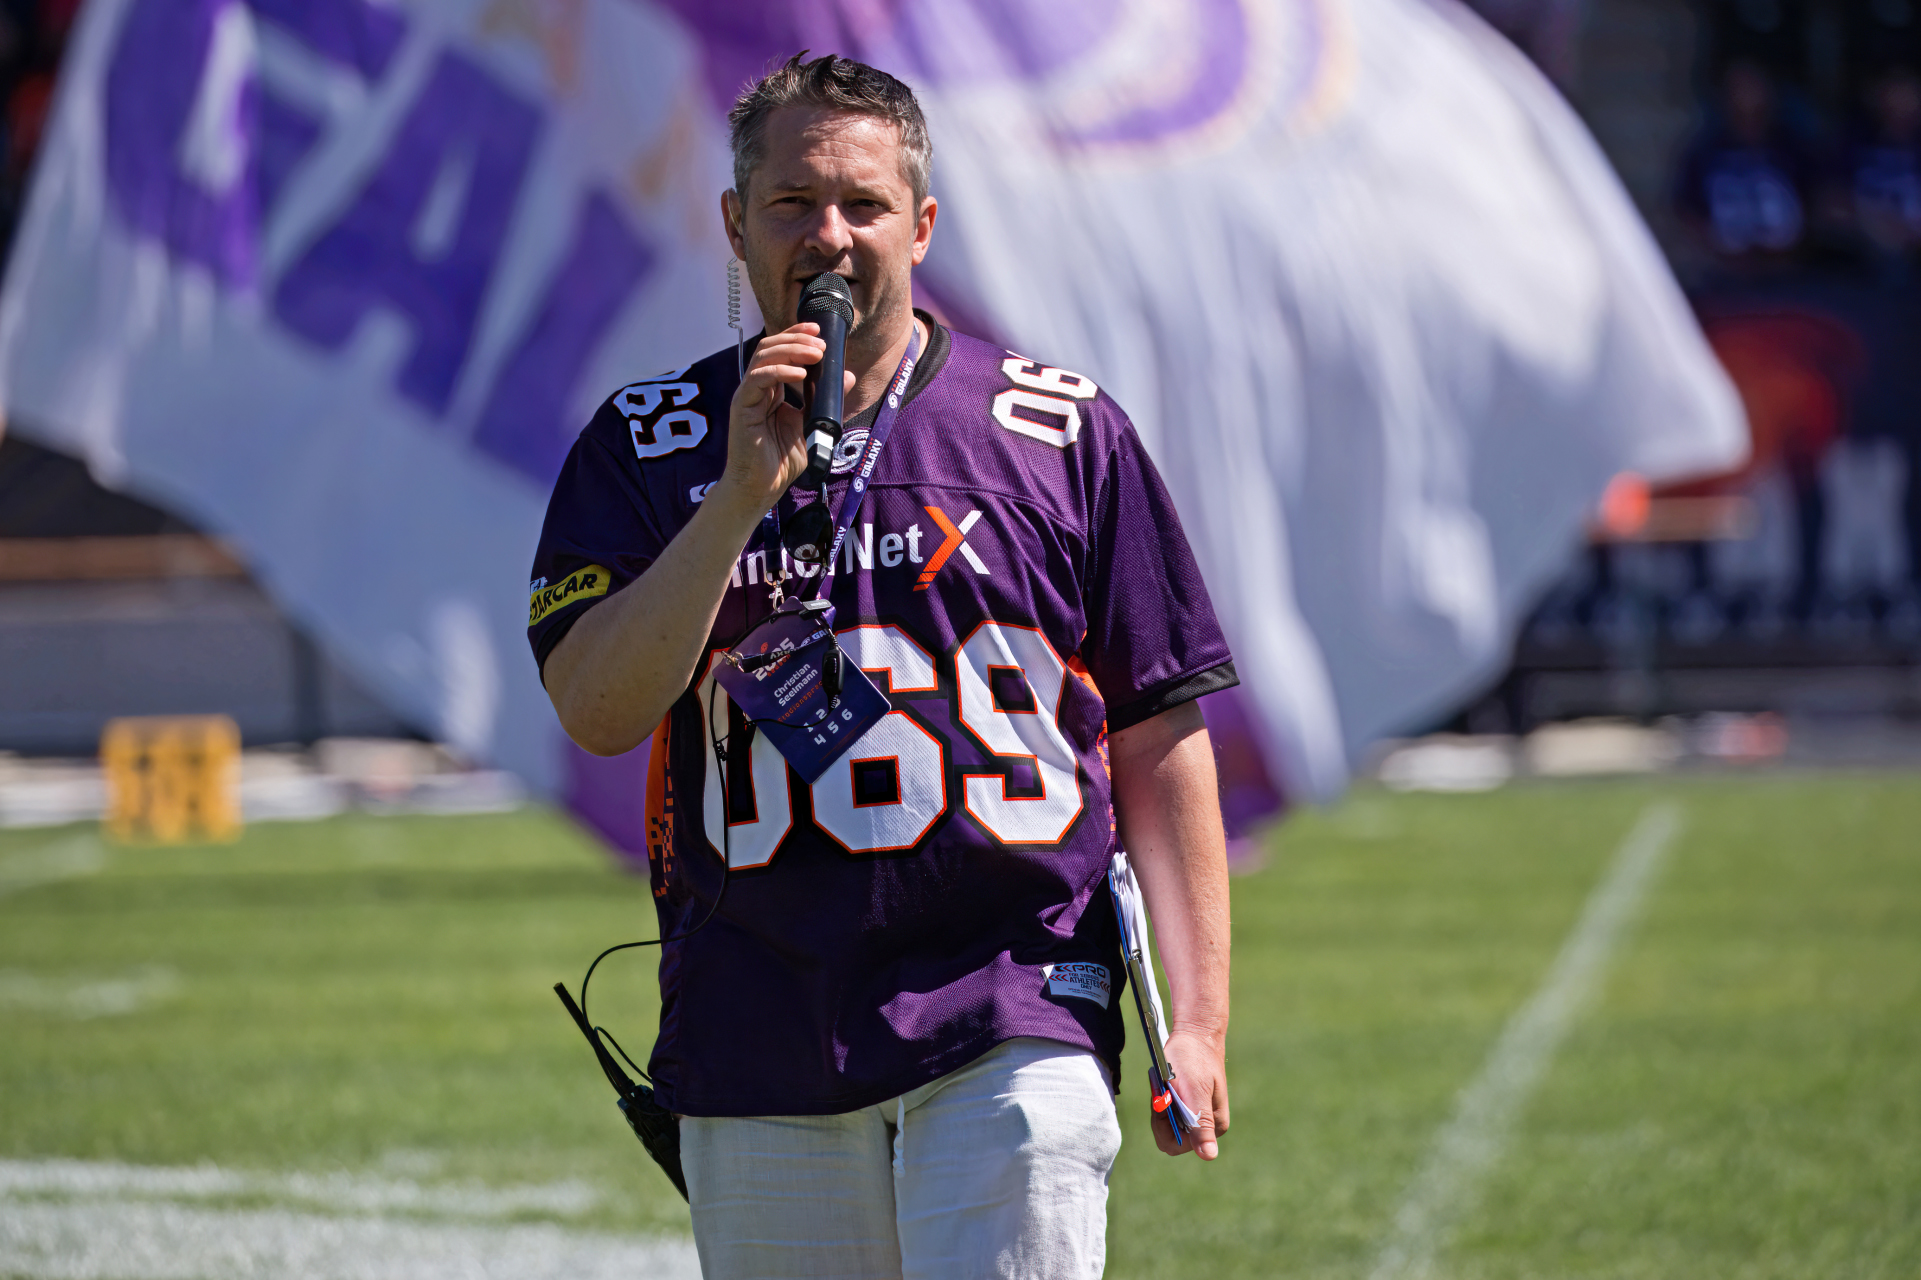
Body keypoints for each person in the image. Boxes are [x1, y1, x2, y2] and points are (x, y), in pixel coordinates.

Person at [527, 52, 1236, 1279]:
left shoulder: (1058, 430)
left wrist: (1201, 1017)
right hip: (755, 1017)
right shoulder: (649, 446)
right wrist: (736, 499)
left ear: (922, 224)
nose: (830, 235)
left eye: (863, 203)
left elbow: (1158, 729)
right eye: (793, 202)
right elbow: (596, 707)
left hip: (1013, 994)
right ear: (735, 224)